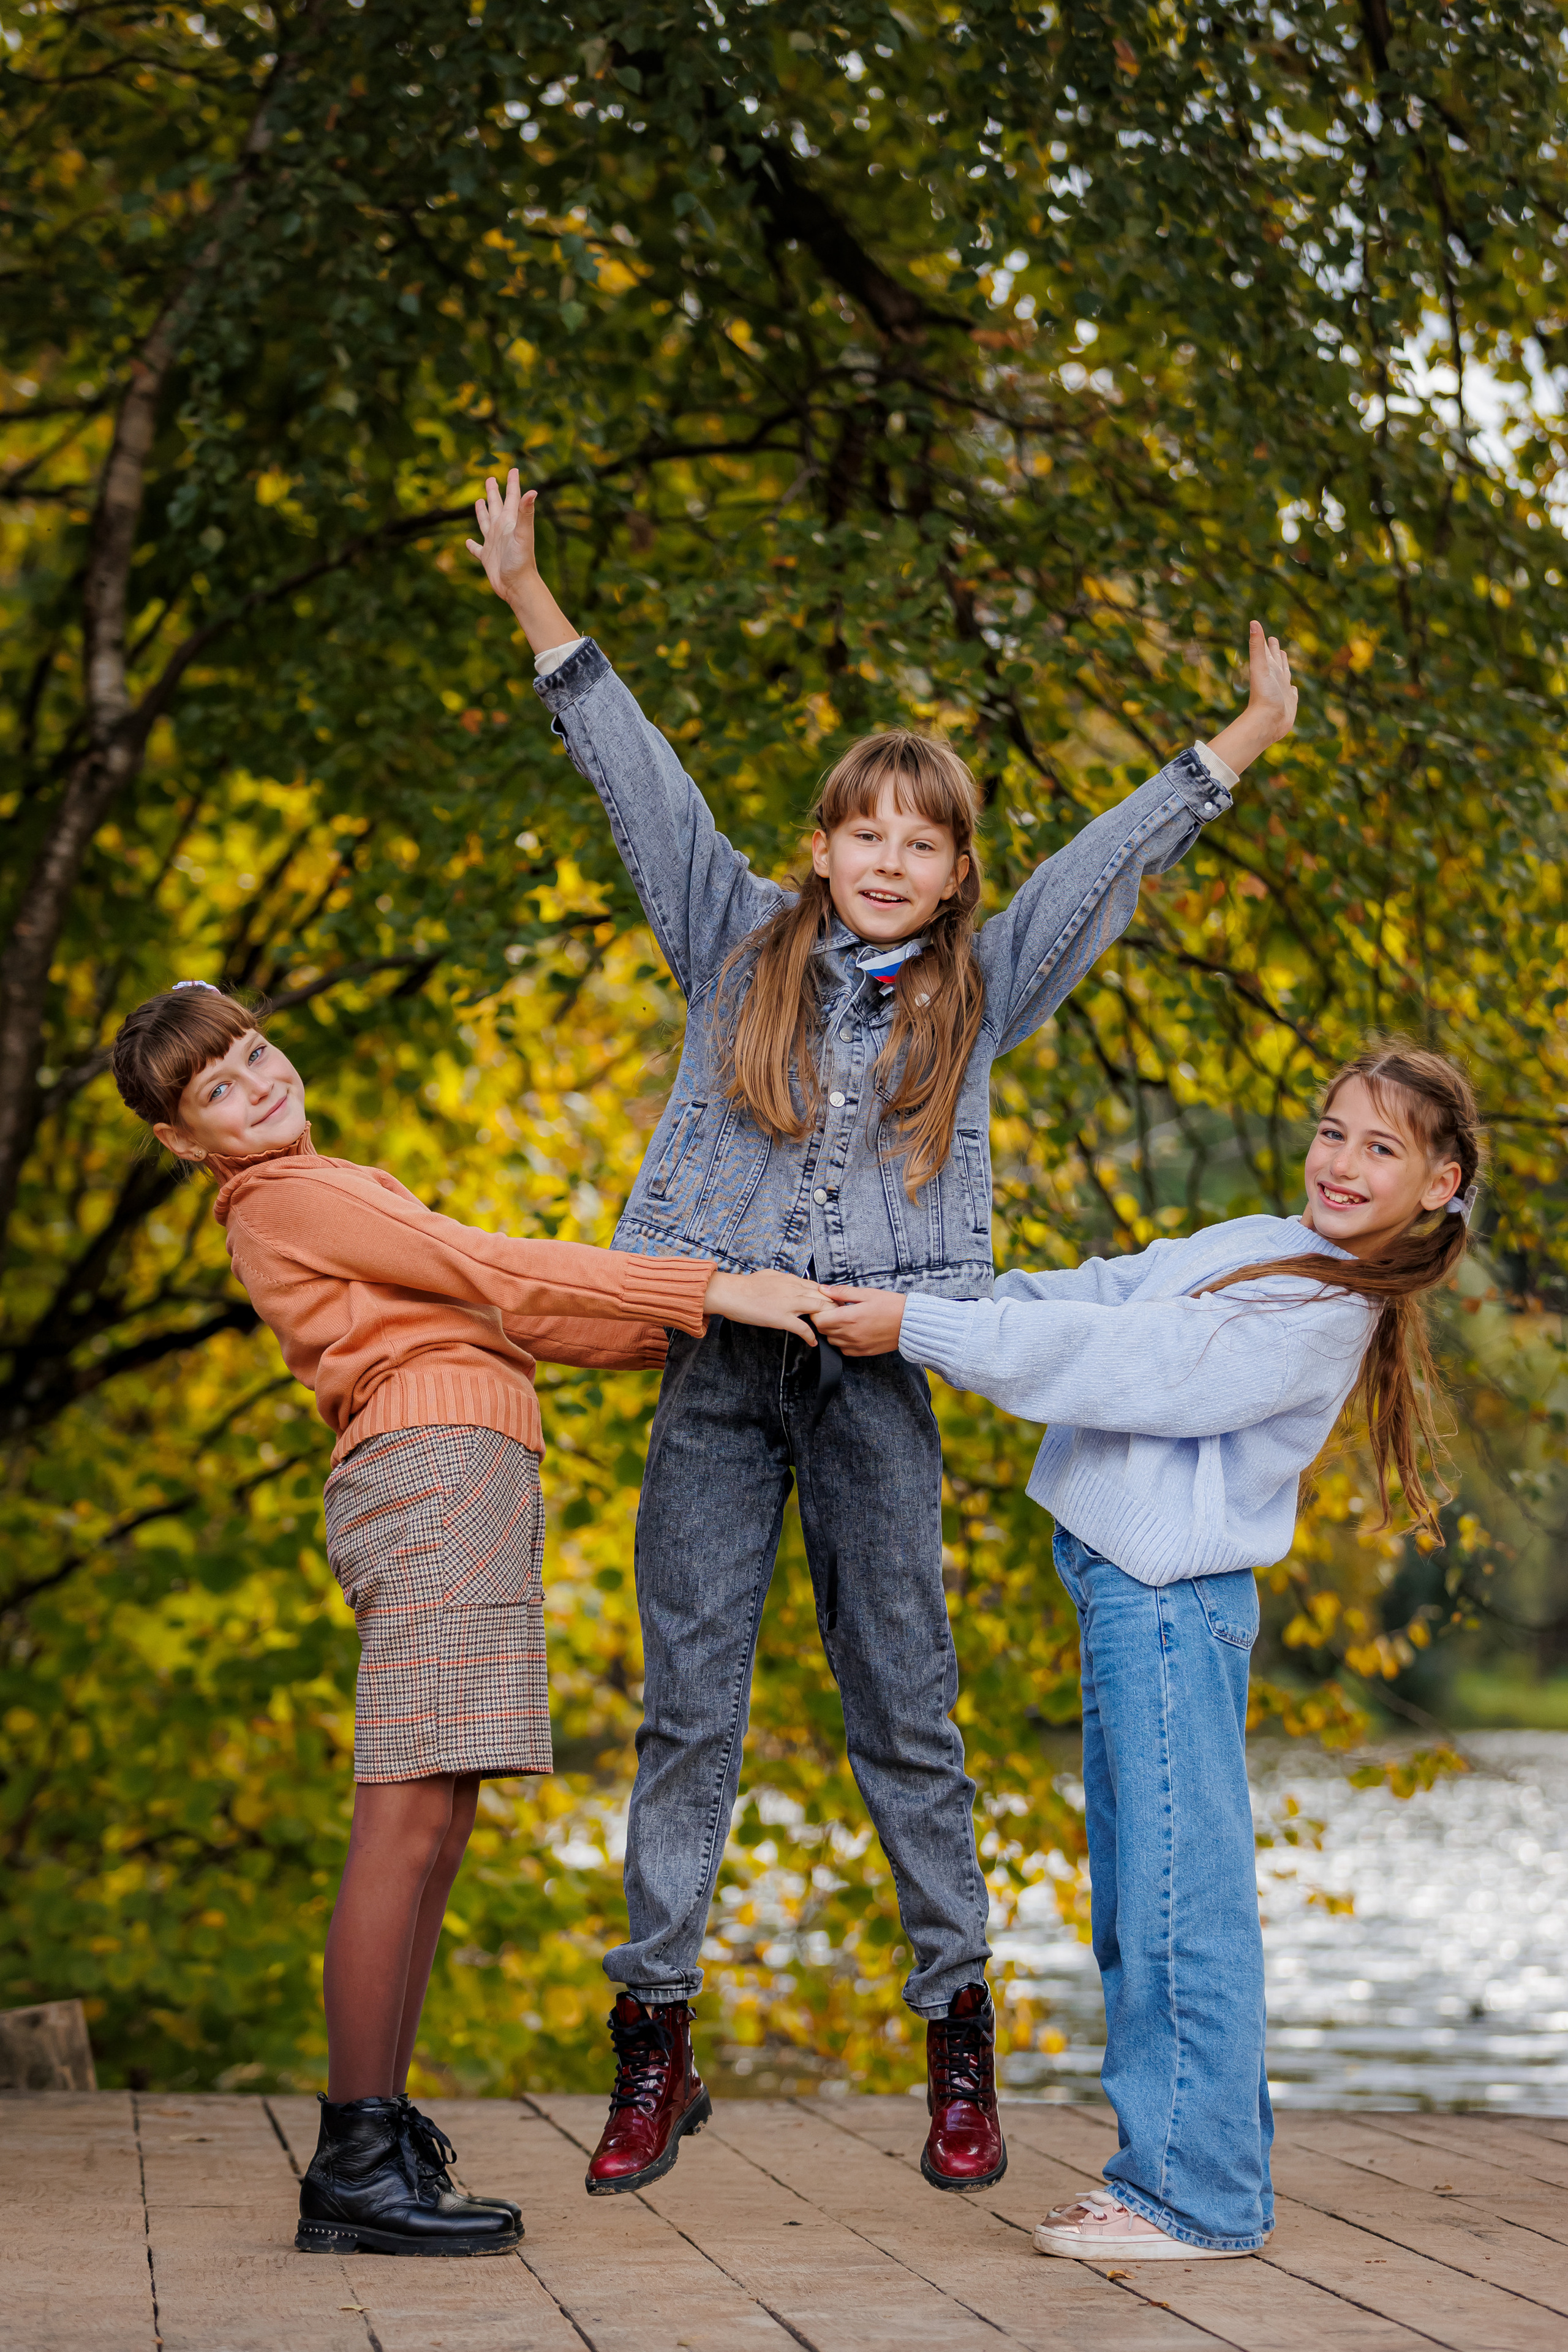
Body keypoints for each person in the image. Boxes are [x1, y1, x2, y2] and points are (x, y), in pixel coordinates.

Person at [466, 465, 1297, 2197]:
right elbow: (643, 791)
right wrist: (537, 602)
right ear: (826, 843)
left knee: (907, 1711)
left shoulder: (982, 989)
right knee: (689, 1711)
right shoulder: (732, 945)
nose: (893, 861)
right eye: (868, 833)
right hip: (716, 1380)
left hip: (872, 1389)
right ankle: (655, 2042)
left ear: (949, 870)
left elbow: (1092, 878)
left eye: (926, 843)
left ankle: (958, 2044)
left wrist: (1233, 745)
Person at [110, 981, 825, 2256]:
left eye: (258, 1052)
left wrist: (671, 1339)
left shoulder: (338, 1184)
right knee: (403, 1814)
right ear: (184, 1140)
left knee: (435, 1819)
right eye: (219, 1088)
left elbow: (508, 1311)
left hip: (459, 1465)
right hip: (431, 1469)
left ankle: (375, 2144)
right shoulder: (288, 1193)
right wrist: (711, 1287)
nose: (260, 1084)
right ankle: (350, 2158)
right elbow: (490, 1265)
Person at [813, 1040, 1484, 2257]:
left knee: (1179, 1907)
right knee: (1141, 1904)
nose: (1339, 1162)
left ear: (1437, 1184)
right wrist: (934, 1298)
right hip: (1128, 1594)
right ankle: (1188, 2169)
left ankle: (1193, 2195)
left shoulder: (1322, 1303)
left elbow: (1133, 1369)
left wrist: (917, 1330)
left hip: (1167, 1603)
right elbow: (1101, 1294)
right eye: (1332, 1130)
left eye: (1380, 1148)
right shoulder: (1260, 1247)